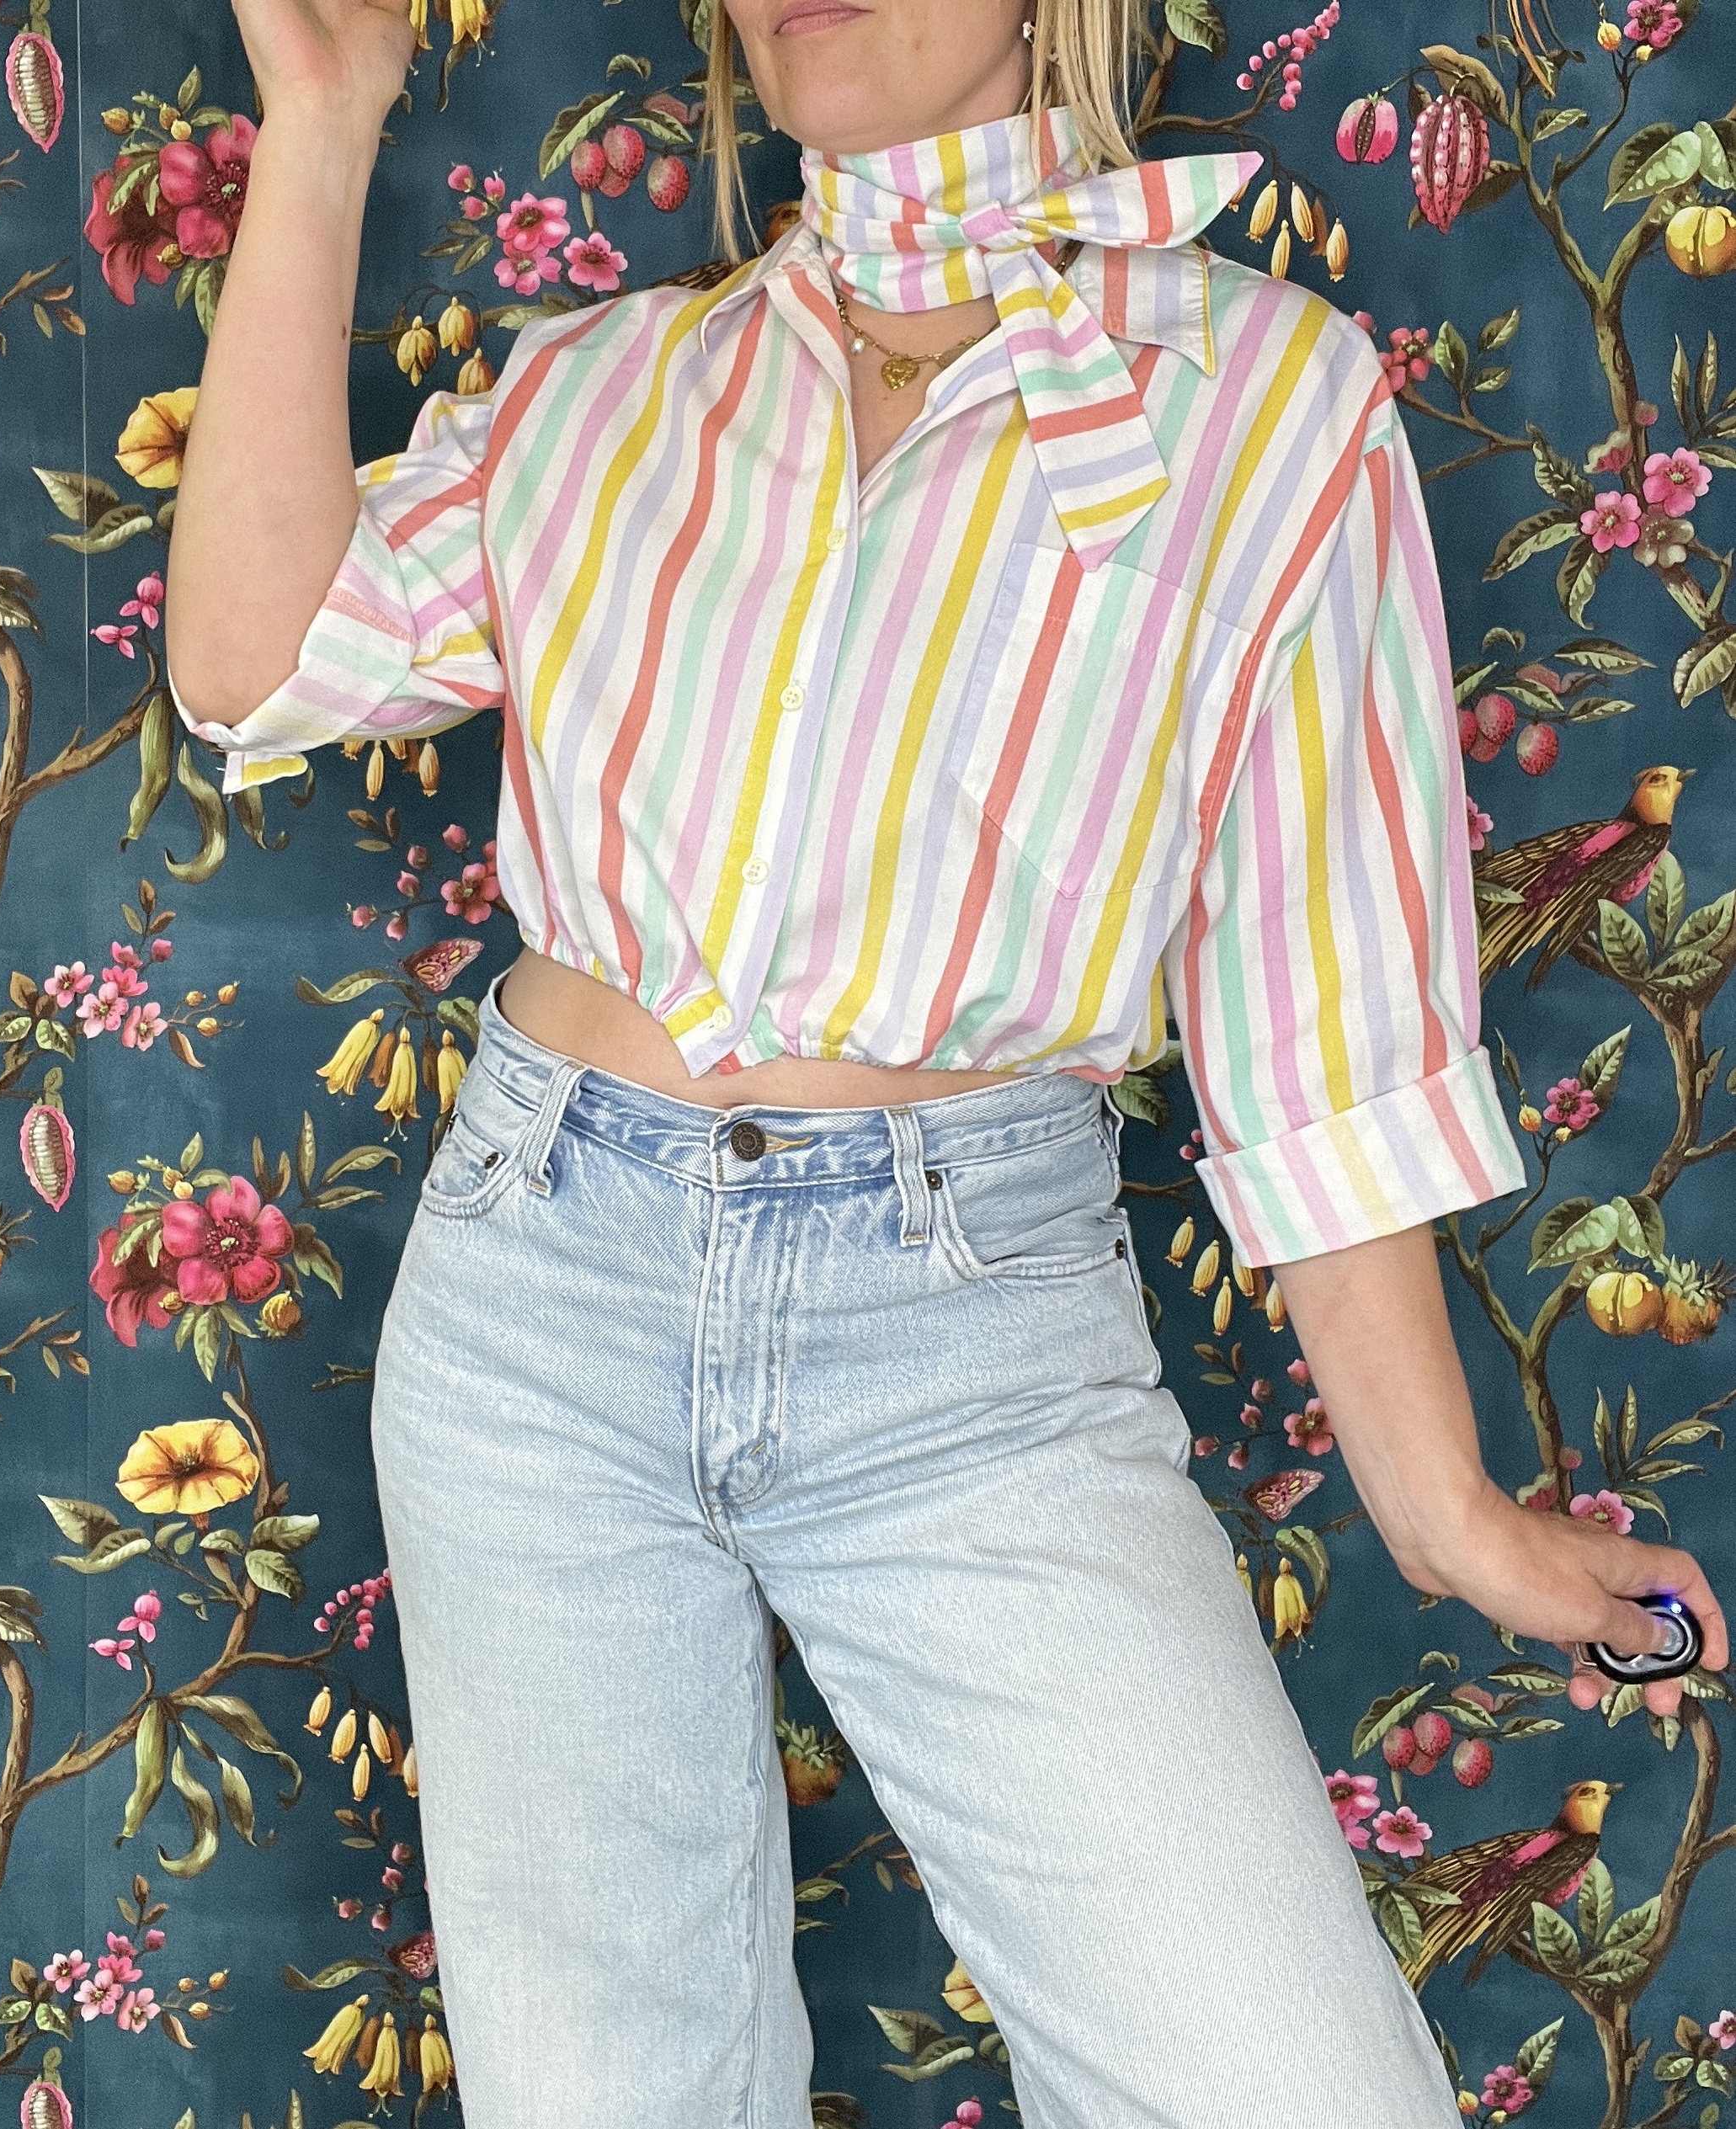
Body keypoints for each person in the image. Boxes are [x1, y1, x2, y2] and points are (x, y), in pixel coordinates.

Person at [166, 2, 1728, 2122]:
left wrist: (1446, 1513)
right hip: (533, 1299)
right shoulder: (604, 386)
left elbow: (1323, 1014)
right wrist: (323, 118)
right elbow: (253, 664)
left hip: (968, 1338)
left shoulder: (1264, 399)